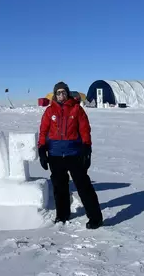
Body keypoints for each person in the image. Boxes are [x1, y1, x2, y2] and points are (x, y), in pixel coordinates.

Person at [38, 81, 103, 229]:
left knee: (84, 186)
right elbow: (43, 131)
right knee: (59, 187)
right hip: (55, 155)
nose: (61, 95)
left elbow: (85, 130)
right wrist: (42, 149)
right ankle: (62, 215)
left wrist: (87, 148)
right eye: (58, 93)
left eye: (64, 92)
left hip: (74, 154)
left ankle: (95, 218)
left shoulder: (77, 109)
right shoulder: (49, 111)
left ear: (68, 93)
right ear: (55, 95)